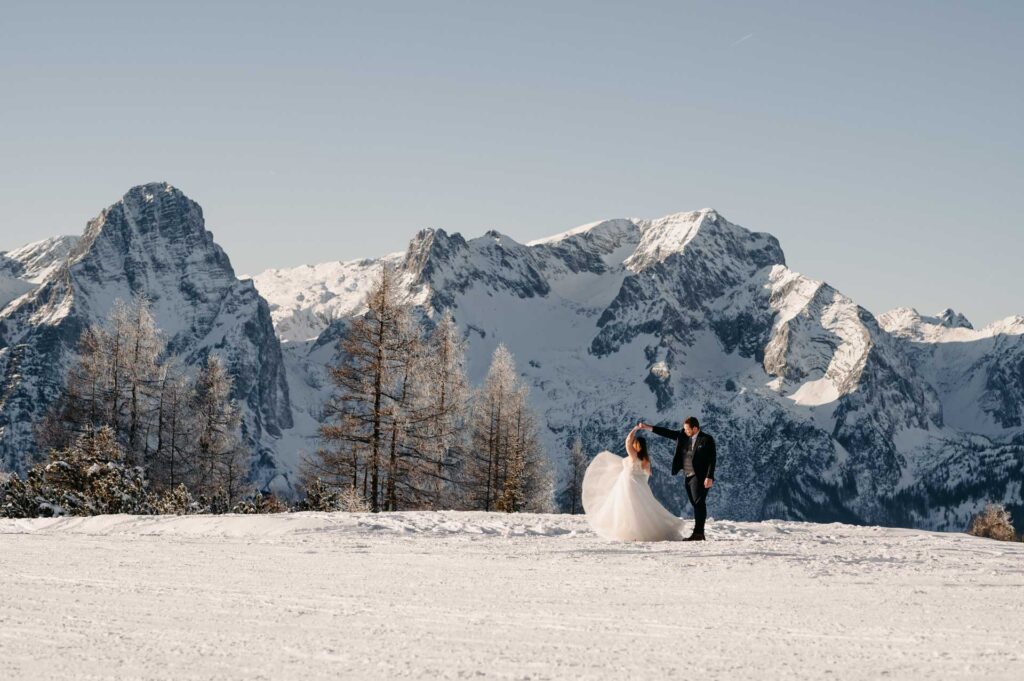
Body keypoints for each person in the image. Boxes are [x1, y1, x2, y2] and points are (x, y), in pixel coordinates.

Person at [581, 424, 685, 541]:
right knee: (642, 508)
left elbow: (627, 441)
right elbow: (646, 475)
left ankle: (631, 532)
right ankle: (646, 531)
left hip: (628, 484)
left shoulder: (633, 456)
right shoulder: (646, 460)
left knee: (627, 508)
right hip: (640, 485)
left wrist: (634, 429)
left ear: (636, 446)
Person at [639, 416, 716, 541]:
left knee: (699, 503)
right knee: (695, 504)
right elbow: (667, 432)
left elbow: (712, 460)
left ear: (695, 428)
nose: (685, 431)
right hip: (688, 476)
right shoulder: (683, 436)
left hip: (700, 476)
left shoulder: (706, 439)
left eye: (687, 429)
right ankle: (698, 533)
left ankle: (698, 533)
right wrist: (648, 427)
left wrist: (709, 476)